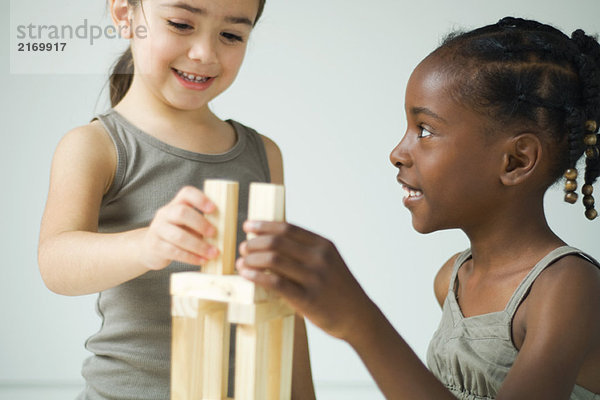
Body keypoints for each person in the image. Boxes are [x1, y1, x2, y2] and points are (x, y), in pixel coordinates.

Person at [236, 17, 600, 400]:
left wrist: (360, 321)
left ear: (515, 160)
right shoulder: (451, 281)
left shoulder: (568, 288)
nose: (397, 153)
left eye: (424, 130)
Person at [37, 0, 315, 399]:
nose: (205, 53)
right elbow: (55, 263)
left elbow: (284, 297)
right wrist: (145, 245)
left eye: (232, 35)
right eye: (182, 24)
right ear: (124, 16)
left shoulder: (264, 154)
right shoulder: (95, 146)